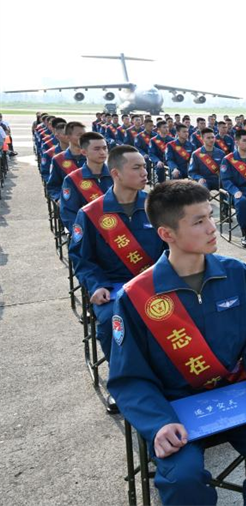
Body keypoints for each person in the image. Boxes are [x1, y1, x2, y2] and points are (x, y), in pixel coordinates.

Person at [107, 180, 246, 506]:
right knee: (182, 479)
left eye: (210, 216)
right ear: (167, 234)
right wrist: (159, 423)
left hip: (234, 398)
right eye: (198, 221)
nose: (212, 228)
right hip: (175, 408)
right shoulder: (135, 298)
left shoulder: (237, 274)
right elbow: (129, 378)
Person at [69, 145, 166, 370]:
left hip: (156, 282)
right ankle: (123, 379)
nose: (144, 172)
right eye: (136, 168)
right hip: (113, 287)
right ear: (116, 174)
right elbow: (83, 259)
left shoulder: (156, 205)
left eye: (144, 166)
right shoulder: (90, 213)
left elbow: (171, 247)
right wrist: (96, 286)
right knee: (112, 322)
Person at [59, 132, 113, 231]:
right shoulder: (72, 179)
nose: (102, 152)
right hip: (89, 231)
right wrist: (82, 233)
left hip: (117, 230)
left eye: (104, 148)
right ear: (84, 152)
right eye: (97, 149)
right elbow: (69, 213)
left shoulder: (116, 174)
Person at [46, 121, 87, 200]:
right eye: (79, 135)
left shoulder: (92, 156)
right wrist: (58, 199)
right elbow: (53, 185)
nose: (84, 138)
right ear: (68, 137)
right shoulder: (58, 160)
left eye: (85, 135)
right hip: (69, 202)